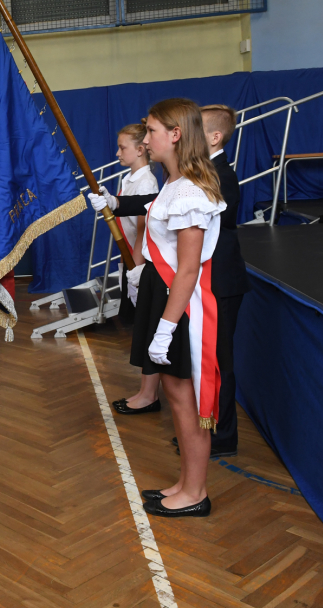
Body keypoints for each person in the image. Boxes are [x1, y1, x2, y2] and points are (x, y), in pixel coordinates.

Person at [92, 106, 247, 456]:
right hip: (187, 285)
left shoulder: (214, 177)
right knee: (184, 381)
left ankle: (220, 433)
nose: (146, 141)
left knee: (214, 362)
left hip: (214, 283)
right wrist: (116, 203)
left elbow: (192, 237)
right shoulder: (183, 178)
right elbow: (158, 205)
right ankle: (206, 433)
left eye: (152, 132)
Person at [102, 98, 225, 518]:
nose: (146, 138)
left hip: (181, 306)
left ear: (174, 134)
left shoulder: (190, 189)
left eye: (152, 130)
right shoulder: (175, 183)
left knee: (183, 400)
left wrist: (165, 328)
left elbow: (188, 270)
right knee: (176, 397)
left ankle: (195, 493)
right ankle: (187, 483)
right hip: (164, 296)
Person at [107, 123, 162, 415]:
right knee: (142, 327)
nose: (118, 153)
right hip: (129, 259)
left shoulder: (147, 183)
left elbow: (143, 228)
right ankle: (146, 389)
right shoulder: (131, 179)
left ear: (140, 150)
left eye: (123, 147)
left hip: (139, 262)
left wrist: (137, 267)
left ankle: (149, 394)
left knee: (149, 328)